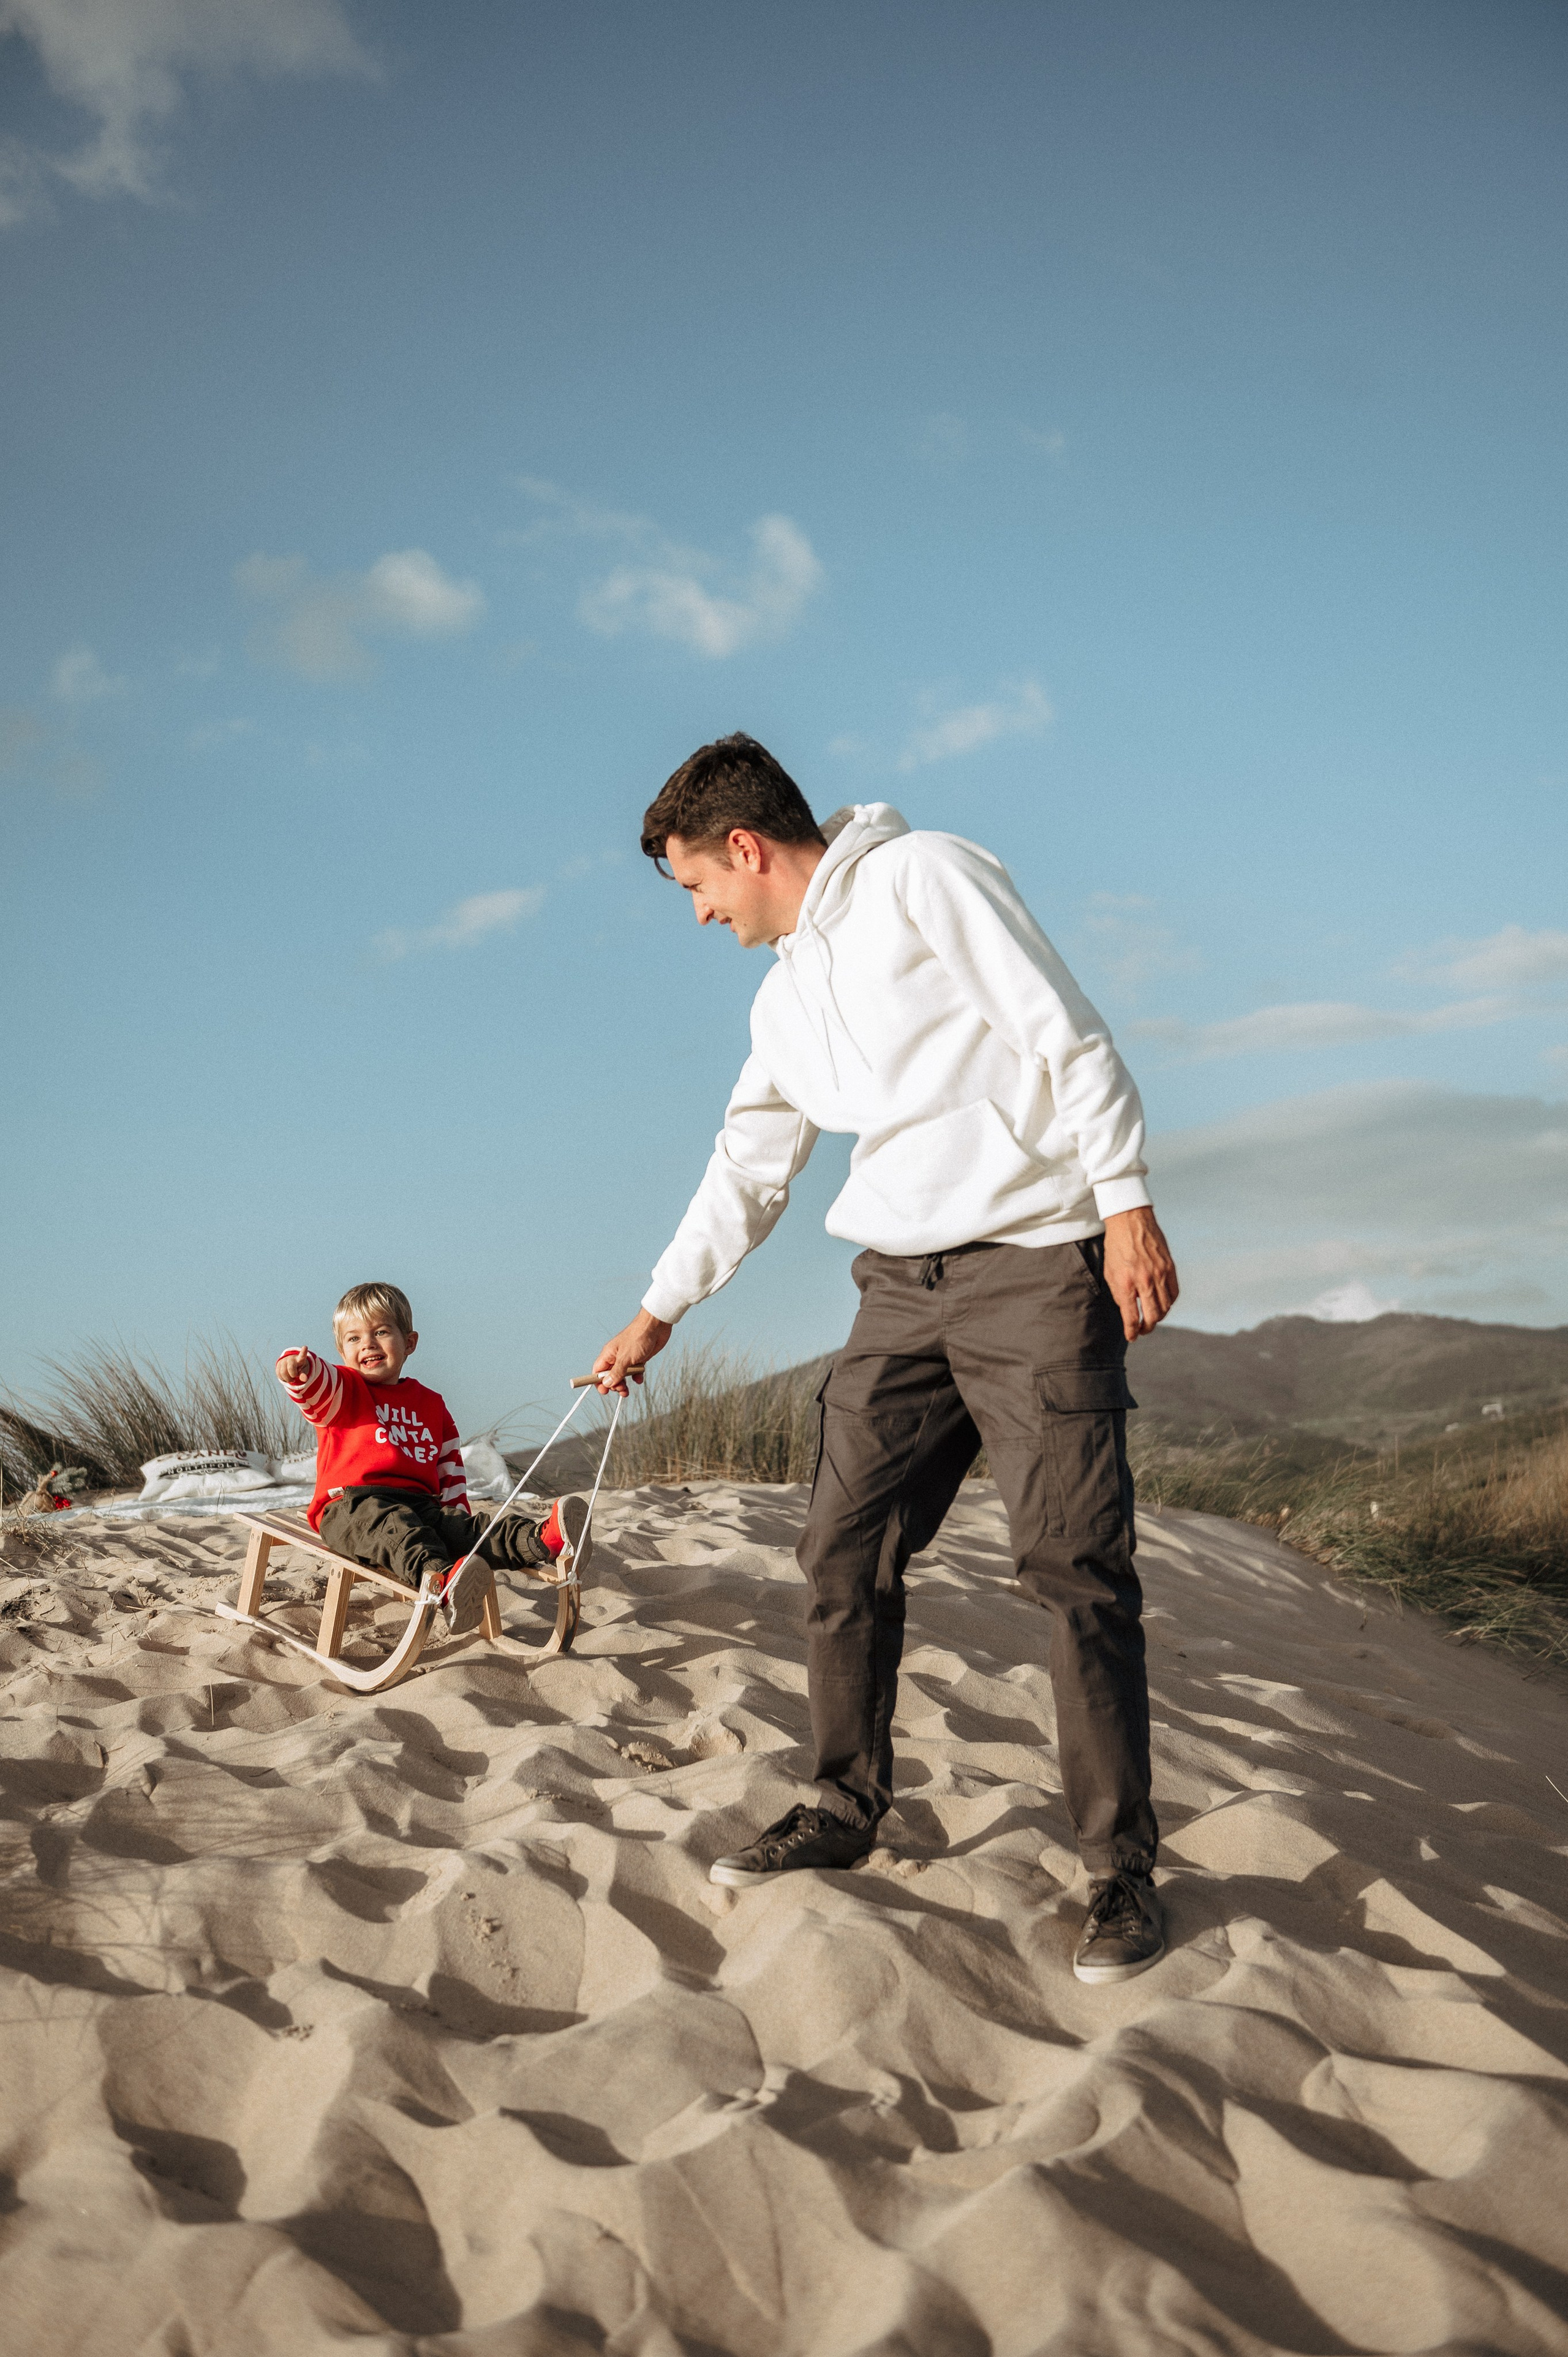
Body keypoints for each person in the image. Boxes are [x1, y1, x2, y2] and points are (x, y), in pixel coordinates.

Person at [593, 736, 1180, 1986]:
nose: (701, 912)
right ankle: (843, 1804)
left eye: (698, 884)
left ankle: (1119, 1874)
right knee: (837, 1551)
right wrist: (657, 1313)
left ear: (744, 848)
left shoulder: (925, 876)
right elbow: (750, 1161)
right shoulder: (781, 999)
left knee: (1073, 1570)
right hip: (898, 1295)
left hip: (1030, 1267)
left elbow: (1066, 1030)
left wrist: (1123, 1201)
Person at [277, 1281, 592, 1632]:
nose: (367, 1343)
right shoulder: (346, 1389)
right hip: (351, 1507)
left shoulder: (430, 1402)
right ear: (342, 1351)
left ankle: (541, 1539)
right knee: (398, 1530)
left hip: (421, 1503)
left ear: (409, 1342)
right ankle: (442, 1583)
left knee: (469, 1529)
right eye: (354, 1338)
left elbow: (449, 1467)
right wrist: (296, 1368)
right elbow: (314, 1388)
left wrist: (457, 1517)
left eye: (381, 1332)